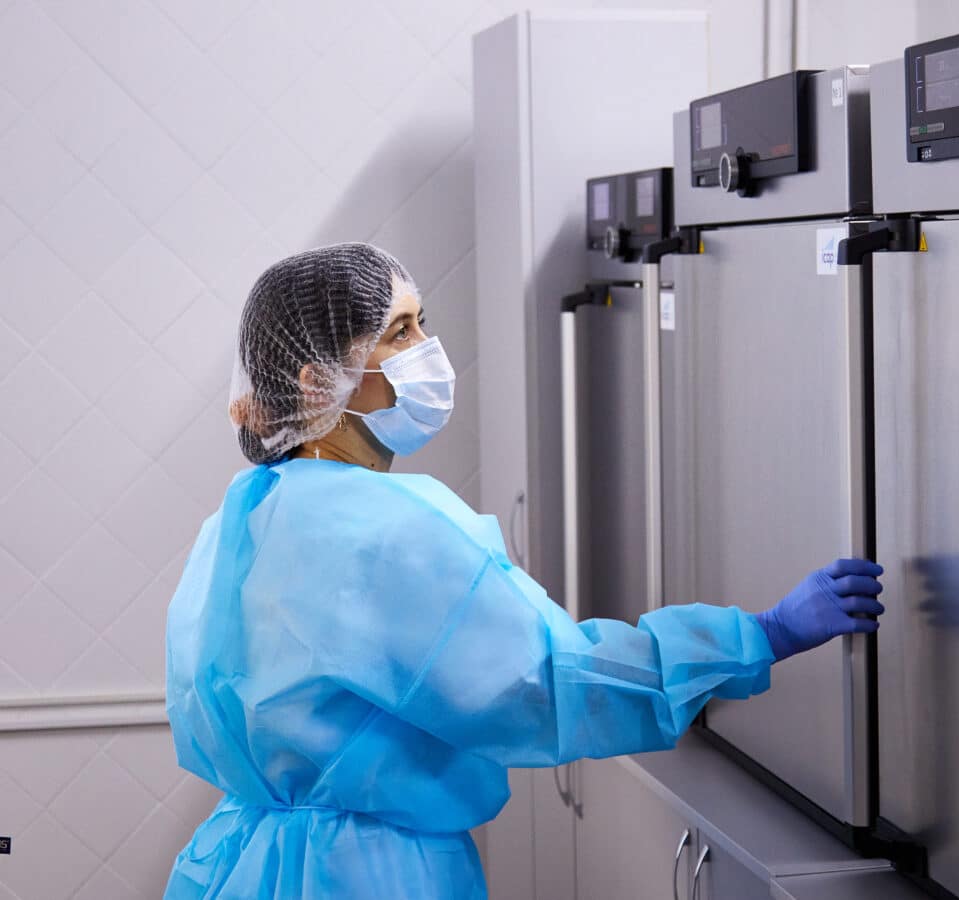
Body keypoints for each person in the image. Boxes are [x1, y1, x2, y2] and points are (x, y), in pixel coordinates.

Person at [163, 243, 885, 899]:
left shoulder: (241, 517)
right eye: (400, 332)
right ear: (322, 381)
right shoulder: (388, 530)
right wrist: (758, 636)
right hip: (367, 878)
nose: (428, 350)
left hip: (235, 870)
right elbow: (552, 681)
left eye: (422, 323)